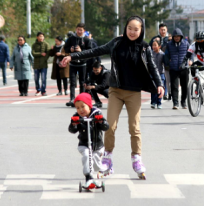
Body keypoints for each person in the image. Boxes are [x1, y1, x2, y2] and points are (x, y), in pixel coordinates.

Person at [61, 16, 164, 179]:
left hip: (133, 92)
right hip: (115, 90)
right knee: (109, 126)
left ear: (141, 31)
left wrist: (159, 84)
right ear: (125, 28)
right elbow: (95, 51)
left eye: (136, 29)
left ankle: (136, 158)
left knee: (134, 128)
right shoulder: (116, 43)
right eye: (130, 28)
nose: (132, 32)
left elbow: (152, 66)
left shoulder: (144, 47)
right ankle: (107, 159)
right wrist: (72, 57)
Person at [68, 93, 109, 188]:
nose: (80, 110)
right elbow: (72, 130)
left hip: (97, 145)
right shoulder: (76, 116)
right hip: (84, 144)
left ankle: (104, 168)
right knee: (87, 155)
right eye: (77, 108)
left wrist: (101, 121)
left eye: (83, 106)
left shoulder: (97, 113)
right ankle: (88, 177)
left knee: (95, 163)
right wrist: (74, 123)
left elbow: (106, 127)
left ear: (89, 106)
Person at [180, 31, 204, 110]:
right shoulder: (193, 45)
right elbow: (187, 55)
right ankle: (197, 83)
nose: (200, 42)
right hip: (201, 62)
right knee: (193, 66)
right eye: (198, 40)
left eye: (201, 40)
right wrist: (183, 63)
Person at [62, 23, 92, 107]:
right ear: (76, 29)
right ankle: (72, 98)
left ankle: (82, 98)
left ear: (84, 31)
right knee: (72, 82)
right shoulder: (71, 38)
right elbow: (65, 48)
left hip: (83, 64)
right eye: (78, 29)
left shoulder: (86, 40)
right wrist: (70, 49)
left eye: (81, 30)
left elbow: (90, 51)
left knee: (82, 82)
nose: (79, 31)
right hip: (73, 64)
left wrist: (81, 50)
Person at [165, 28, 190, 110]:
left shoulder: (186, 43)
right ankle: (175, 103)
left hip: (184, 68)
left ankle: (183, 102)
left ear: (181, 36)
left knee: (184, 86)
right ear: (173, 37)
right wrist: (167, 63)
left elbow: (191, 53)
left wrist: (191, 61)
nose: (176, 38)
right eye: (175, 36)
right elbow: (166, 55)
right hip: (173, 68)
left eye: (178, 36)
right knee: (174, 86)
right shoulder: (169, 45)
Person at [32, 32, 50, 96]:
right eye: (40, 36)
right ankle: (38, 89)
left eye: (42, 36)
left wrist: (45, 59)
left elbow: (48, 53)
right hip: (36, 65)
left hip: (44, 65)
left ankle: (43, 91)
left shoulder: (46, 44)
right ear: (37, 37)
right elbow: (33, 53)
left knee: (43, 78)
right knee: (36, 78)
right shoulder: (34, 45)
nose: (41, 37)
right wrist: (41, 54)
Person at [151, 39, 166, 109]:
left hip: (161, 73)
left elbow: (165, 63)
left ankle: (159, 103)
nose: (153, 47)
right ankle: (153, 102)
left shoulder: (162, 54)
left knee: (160, 88)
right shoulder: (150, 53)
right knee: (153, 87)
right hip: (153, 73)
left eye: (155, 45)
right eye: (153, 45)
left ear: (159, 46)